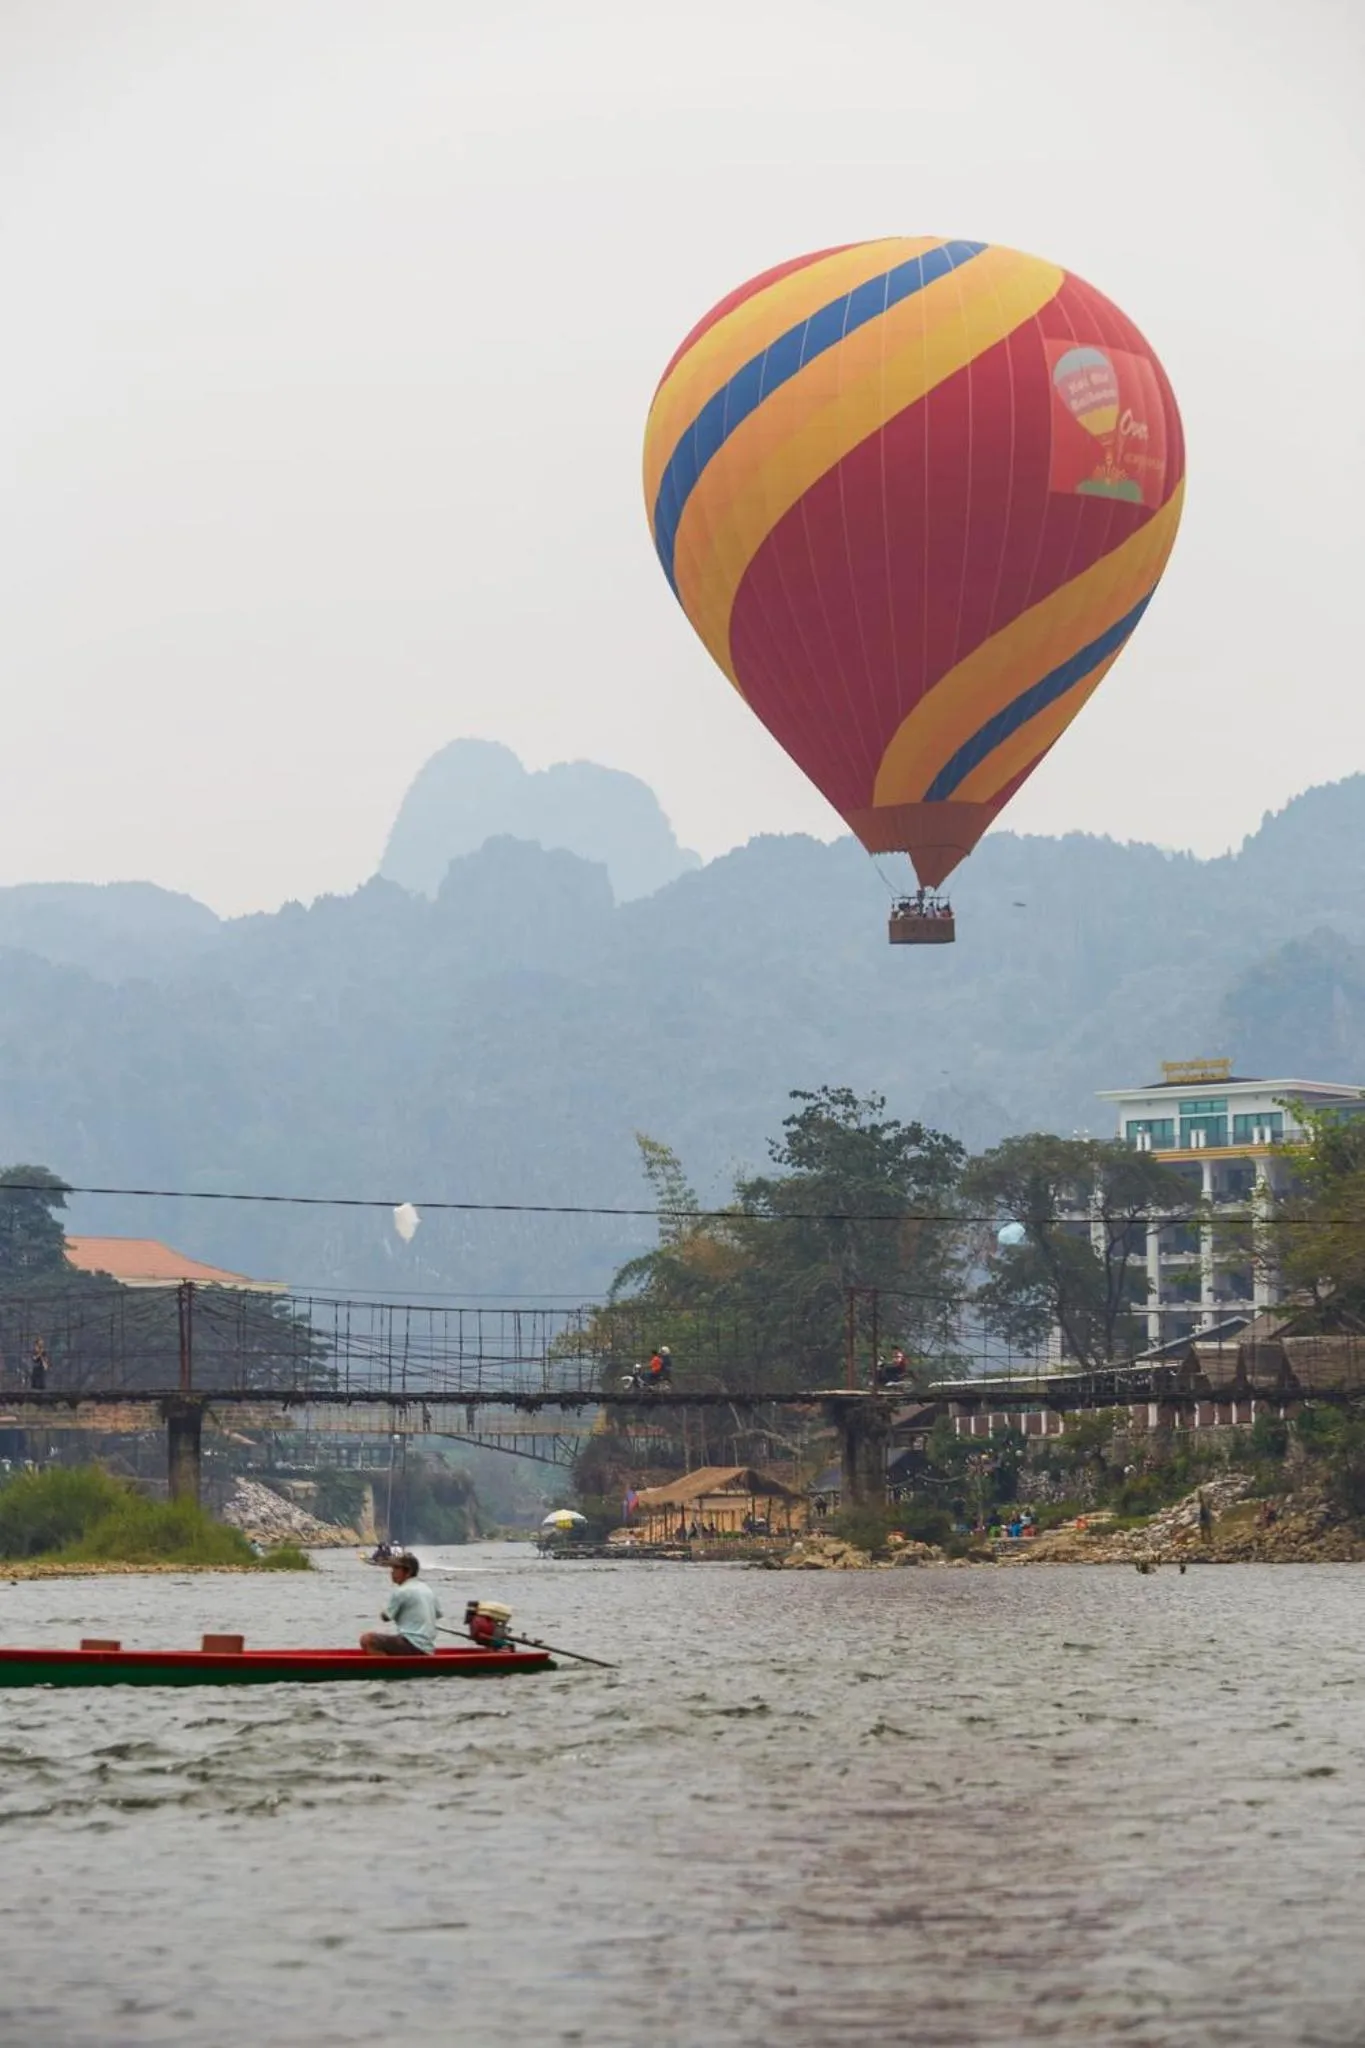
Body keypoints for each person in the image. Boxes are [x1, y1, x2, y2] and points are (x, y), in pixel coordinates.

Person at [361, 1553, 441, 1657]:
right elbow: (437, 1614)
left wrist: (383, 1613)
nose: (392, 1572)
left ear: (408, 1572)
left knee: (367, 1639)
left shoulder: (401, 1591)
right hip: (428, 1649)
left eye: (396, 1568)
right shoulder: (427, 1589)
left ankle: (386, 1671)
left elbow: (386, 1617)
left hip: (413, 1645)